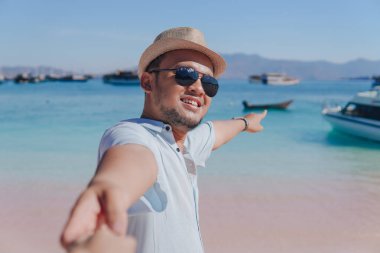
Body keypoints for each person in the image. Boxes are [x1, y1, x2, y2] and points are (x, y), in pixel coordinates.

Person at [61, 27, 267, 253]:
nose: (199, 88)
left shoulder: (185, 144)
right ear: (148, 83)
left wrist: (246, 122)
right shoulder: (133, 134)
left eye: (209, 83)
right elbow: (133, 158)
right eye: (185, 74)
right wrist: (110, 188)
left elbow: (215, 132)